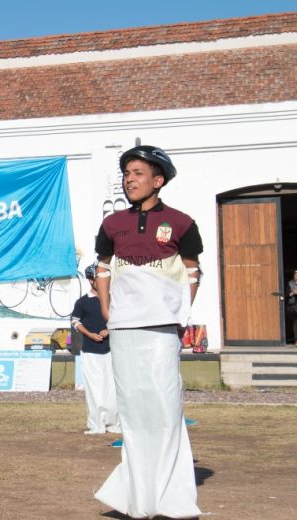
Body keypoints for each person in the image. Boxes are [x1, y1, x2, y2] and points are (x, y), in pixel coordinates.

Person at [93, 145, 203, 519]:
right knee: (133, 412)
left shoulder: (182, 222)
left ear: (158, 180)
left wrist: (180, 311)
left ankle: (172, 497)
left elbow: (192, 271)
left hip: (161, 329)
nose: (129, 179)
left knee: (165, 407)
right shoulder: (112, 225)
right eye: (126, 173)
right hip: (123, 327)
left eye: (138, 173)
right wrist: (107, 309)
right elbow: (103, 267)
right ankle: (138, 498)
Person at [71, 263, 120, 435]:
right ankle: (96, 424)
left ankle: (113, 423)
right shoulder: (82, 302)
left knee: (113, 388)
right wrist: (90, 334)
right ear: (91, 280)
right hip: (90, 350)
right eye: (97, 279)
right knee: (94, 389)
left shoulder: (113, 299)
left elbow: (120, 318)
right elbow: (75, 321)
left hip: (111, 349)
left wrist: (109, 329)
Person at [287, 269, 297, 346]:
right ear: (294, 275)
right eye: (296, 275)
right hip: (293, 306)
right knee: (295, 323)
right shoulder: (290, 283)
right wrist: (293, 292)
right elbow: (286, 294)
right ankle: (296, 340)